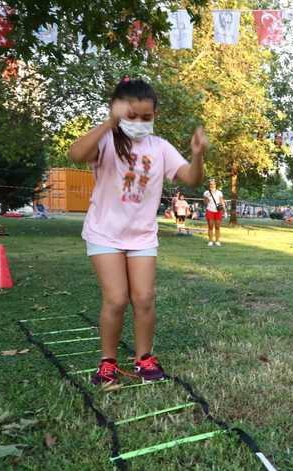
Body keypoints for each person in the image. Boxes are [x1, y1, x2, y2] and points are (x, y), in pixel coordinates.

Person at [68, 77, 208, 388]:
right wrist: (110, 123)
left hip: (141, 235)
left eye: (147, 117)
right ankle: (108, 362)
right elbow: (76, 154)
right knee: (116, 299)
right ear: (117, 110)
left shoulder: (160, 147)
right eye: (132, 116)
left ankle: (144, 358)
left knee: (144, 298)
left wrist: (198, 155)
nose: (140, 123)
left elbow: (191, 178)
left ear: (155, 115)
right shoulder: (105, 141)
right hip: (104, 232)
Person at [203, 179, 226, 246]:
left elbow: (222, 201)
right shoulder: (206, 192)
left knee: (217, 227)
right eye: (211, 184)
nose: (212, 185)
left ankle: (217, 241)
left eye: (213, 184)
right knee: (210, 226)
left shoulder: (219, 192)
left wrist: (224, 210)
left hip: (218, 211)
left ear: (215, 185)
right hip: (210, 210)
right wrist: (207, 197)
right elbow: (205, 203)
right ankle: (210, 241)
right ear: (209, 185)